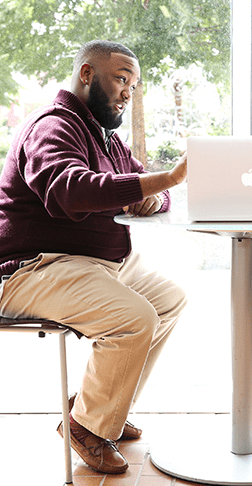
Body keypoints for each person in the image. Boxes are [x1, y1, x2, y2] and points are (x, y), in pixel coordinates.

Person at [0, 40, 188, 474]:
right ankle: (87, 425)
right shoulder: (53, 126)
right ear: (87, 74)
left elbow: (145, 187)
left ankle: (99, 409)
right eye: (122, 79)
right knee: (135, 317)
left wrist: (152, 199)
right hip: (34, 267)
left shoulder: (106, 138)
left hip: (93, 262)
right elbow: (70, 189)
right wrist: (165, 180)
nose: (128, 92)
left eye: (134, 85)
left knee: (169, 298)